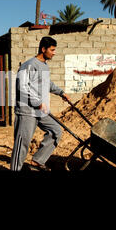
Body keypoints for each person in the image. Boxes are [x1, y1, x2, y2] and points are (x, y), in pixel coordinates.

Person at [11, 36, 71, 171]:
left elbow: (47, 84)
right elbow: (22, 87)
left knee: (56, 131)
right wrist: (37, 103)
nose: (54, 53)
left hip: (40, 110)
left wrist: (61, 93)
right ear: (43, 49)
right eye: (52, 50)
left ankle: (38, 160)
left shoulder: (44, 65)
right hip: (27, 111)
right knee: (23, 143)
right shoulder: (29, 65)